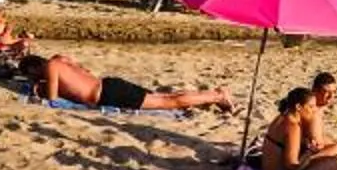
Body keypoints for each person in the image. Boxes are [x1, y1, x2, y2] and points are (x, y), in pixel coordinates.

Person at [17, 54, 232, 112]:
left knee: (170, 102)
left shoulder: (51, 67)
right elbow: (82, 71)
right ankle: (212, 96)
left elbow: (53, 98)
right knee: (165, 97)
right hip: (108, 84)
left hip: (108, 94)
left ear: (34, 68)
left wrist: (40, 88)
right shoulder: (61, 59)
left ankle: (217, 95)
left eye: (31, 75)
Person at [260, 87, 337, 170]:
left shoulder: (283, 117)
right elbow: (291, 166)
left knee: (334, 150)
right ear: (298, 107)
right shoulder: (292, 127)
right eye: (311, 107)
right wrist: (310, 153)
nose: (314, 110)